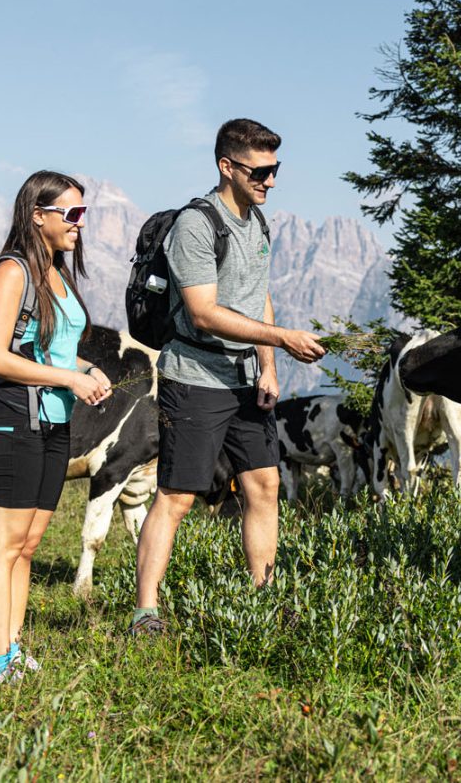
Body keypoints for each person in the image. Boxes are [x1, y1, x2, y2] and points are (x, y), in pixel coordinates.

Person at [130, 118, 326, 635]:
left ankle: (264, 600)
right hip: (194, 376)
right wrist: (282, 337)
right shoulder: (196, 226)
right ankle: (145, 611)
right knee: (177, 495)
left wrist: (267, 366)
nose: (272, 180)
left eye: (276, 169)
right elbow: (204, 313)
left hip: (245, 379)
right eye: (262, 170)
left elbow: (256, 295)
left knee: (264, 484)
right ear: (227, 167)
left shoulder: (257, 222)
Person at [0, 170, 111, 681]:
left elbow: (50, 349)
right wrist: (68, 379)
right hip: (13, 419)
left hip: (54, 423)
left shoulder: (55, 271)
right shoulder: (13, 271)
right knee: (2, 545)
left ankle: (11, 650)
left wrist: (84, 370)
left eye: (82, 213)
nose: (79, 223)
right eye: (70, 214)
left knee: (27, 545)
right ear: (38, 216)